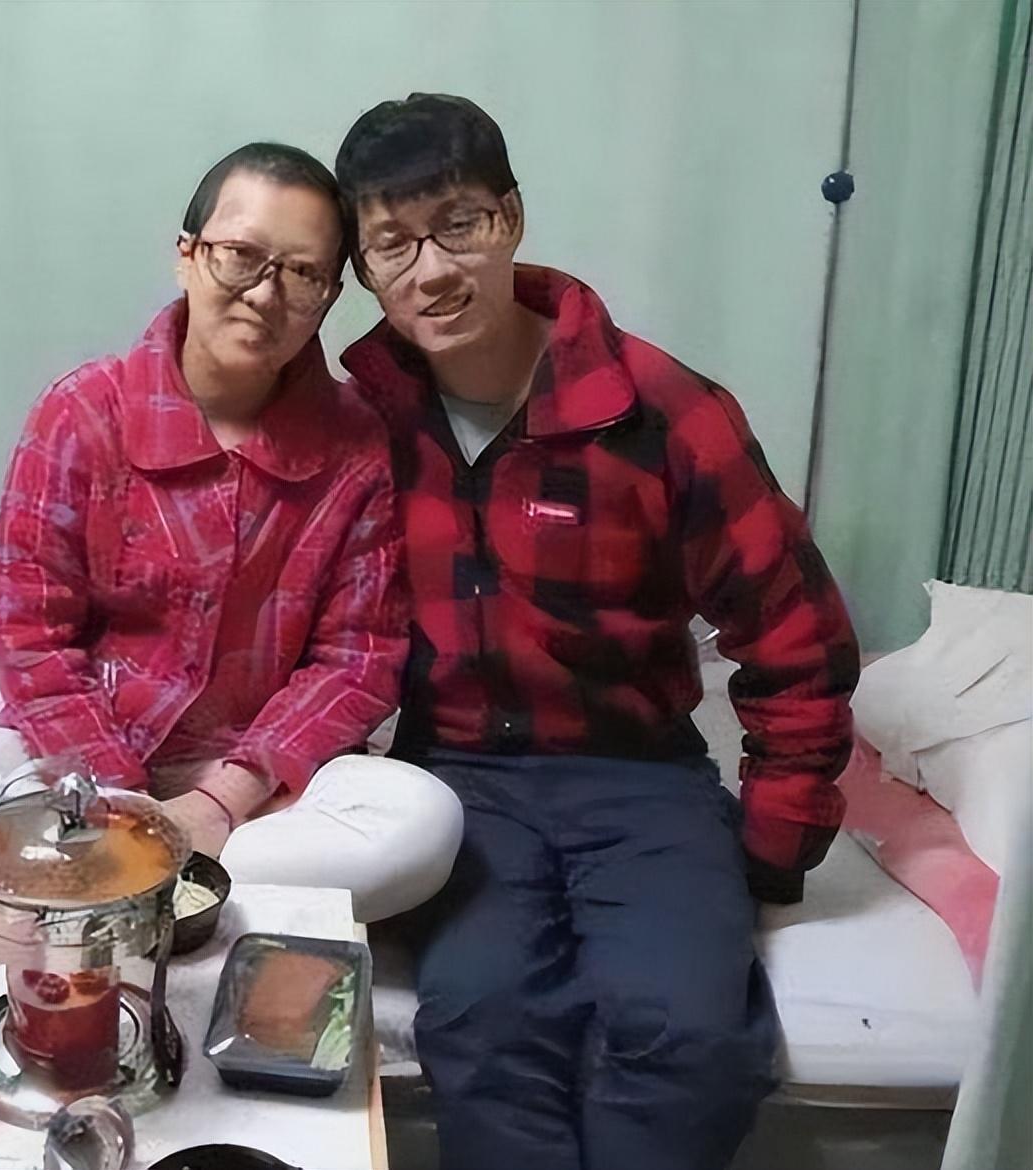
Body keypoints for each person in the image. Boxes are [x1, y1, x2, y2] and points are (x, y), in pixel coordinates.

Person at [335, 95, 860, 1169]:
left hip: (641, 772)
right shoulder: (363, 421)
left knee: (688, 1035)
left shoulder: (657, 408)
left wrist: (772, 843)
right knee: (483, 1020)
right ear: (365, 270)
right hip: (461, 779)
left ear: (512, 217)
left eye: (459, 224)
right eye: (392, 244)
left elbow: (795, 632)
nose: (431, 270)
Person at [0, 142, 462, 922]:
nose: (266, 294)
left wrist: (221, 800)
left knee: (425, 822)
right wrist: (125, 804)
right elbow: (30, 636)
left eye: (301, 274)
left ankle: (138, 895)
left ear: (328, 295)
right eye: (240, 256)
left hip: (260, 782)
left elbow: (359, 657)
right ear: (188, 255)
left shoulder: (354, 443)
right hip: (95, 766)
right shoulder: (83, 413)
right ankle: (172, 893)